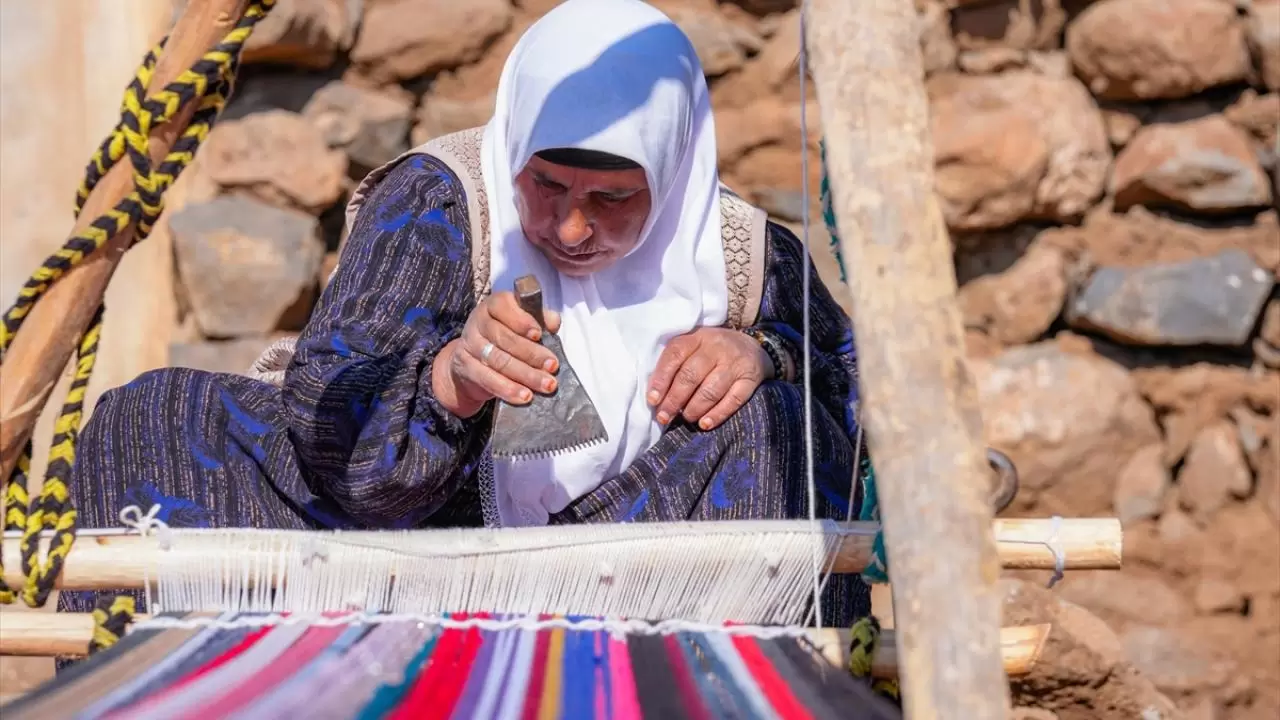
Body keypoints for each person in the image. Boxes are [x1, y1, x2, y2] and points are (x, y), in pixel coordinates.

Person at [58, 0, 872, 626]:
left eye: (615, 198)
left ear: (677, 170)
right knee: (153, 417)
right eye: (546, 185)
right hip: (422, 548)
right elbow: (334, 406)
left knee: (782, 424)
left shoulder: (742, 250)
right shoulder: (440, 200)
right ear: (514, 143)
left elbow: (861, 394)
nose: (571, 227)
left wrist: (765, 352)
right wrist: (448, 381)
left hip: (647, 558)